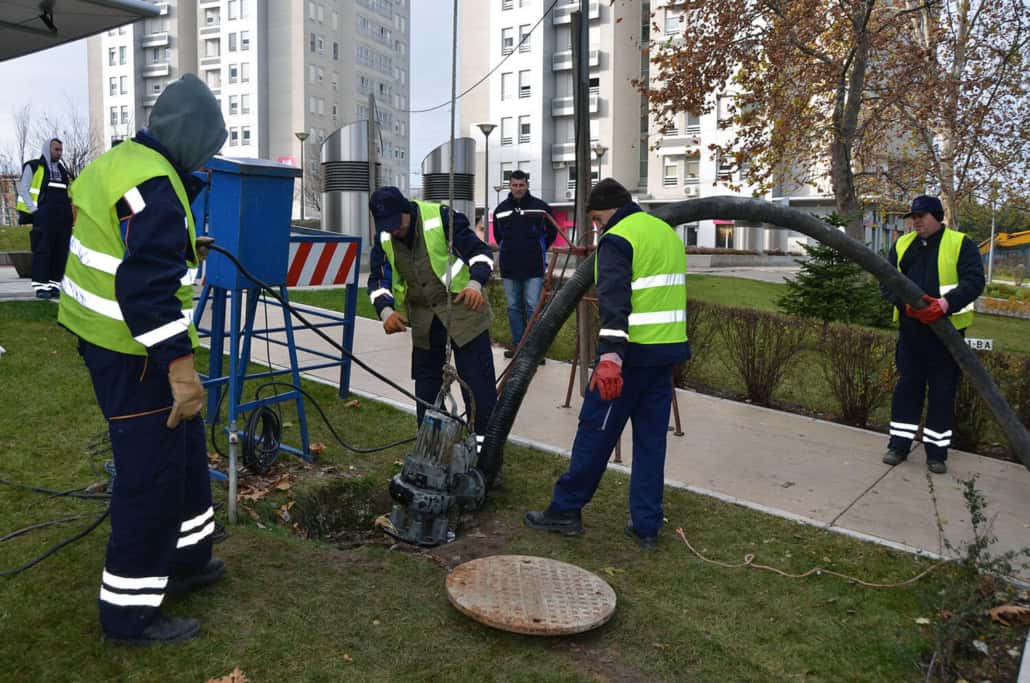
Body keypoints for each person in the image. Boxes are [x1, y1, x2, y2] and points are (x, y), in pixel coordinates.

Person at [57, 74, 227, 645]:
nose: (207, 160)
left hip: (111, 339)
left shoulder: (123, 163)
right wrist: (180, 369)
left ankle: (188, 559)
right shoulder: (156, 184)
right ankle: (130, 614)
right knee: (149, 477)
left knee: (183, 453)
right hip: (134, 354)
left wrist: (180, 245)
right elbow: (145, 291)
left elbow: (121, 240)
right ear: (191, 136)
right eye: (207, 146)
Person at [524, 178, 691, 550]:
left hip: (628, 360)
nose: (597, 227)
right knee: (651, 443)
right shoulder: (665, 233)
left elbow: (615, 301)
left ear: (611, 210)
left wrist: (611, 358)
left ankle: (565, 510)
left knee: (595, 434)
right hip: (664, 356)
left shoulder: (618, 238)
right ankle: (646, 526)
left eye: (598, 219)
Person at [367, 186, 498, 447]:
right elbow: (378, 280)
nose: (393, 231)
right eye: (387, 226)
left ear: (406, 209)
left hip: (464, 313)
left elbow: (481, 254)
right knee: (426, 391)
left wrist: (475, 284)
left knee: (478, 387)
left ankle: (485, 452)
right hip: (424, 322)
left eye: (396, 223)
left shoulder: (442, 218)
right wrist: (386, 311)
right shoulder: (384, 237)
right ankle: (432, 449)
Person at [880, 195, 985, 474]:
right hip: (911, 332)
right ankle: (898, 446)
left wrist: (945, 305)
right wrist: (904, 305)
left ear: (937, 217)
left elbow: (974, 281)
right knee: (907, 389)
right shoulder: (902, 245)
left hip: (947, 334)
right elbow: (886, 282)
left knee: (942, 393)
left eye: (921, 216)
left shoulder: (960, 243)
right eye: (913, 217)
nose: (916, 221)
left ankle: (936, 454)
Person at [492, 170, 557, 360]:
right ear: (510, 186)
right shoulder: (500, 209)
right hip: (509, 266)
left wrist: (538, 247)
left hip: (533, 266)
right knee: (513, 307)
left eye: (521, 185)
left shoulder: (540, 208)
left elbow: (552, 231)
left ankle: (534, 350)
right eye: (515, 185)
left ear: (527, 185)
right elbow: (498, 236)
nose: (518, 188)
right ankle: (518, 346)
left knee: (532, 307)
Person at [16, 138, 73, 299]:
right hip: (44, 217)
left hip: (62, 218)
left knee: (60, 251)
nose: (59, 153)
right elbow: (24, 189)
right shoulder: (34, 166)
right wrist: (35, 211)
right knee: (43, 251)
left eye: (61, 150)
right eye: (56, 149)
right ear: (47, 149)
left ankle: (55, 285)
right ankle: (41, 287)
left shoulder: (62, 170)